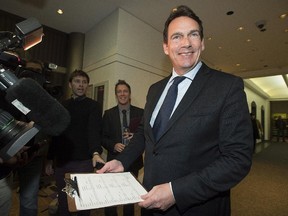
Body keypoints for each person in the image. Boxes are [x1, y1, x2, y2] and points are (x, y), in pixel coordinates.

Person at [97, 5, 253, 216]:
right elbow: (144, 133)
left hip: (197, 207)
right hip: (149, 201)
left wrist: (176, 191)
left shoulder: (227, 87)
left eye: (193, 35)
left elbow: (237, 160)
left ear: (203, 42)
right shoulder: (155, 90)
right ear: (166, 46)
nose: (186, 43)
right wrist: (122, 161)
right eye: (177, 36)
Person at [45, 69, 105, 216]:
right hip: (63, 163)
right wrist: (49, 159)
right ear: (70, 84)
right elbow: (56, 134)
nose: (81, 85)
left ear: (87, 86)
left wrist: (95, 153)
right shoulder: (62, 106)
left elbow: (94, 131)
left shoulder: (94, 106)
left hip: (83, 163)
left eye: (84, 82)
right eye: (77, 81)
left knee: (82, 202)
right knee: (65, 201)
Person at [102, 79, 144, 216]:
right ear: (116, 95)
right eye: (119, 91)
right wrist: (113, 145)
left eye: (125, 91)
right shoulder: (108, 114)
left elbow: (146, 136)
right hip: (114, 159)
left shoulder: (141, 113)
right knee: (111, 197)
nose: (122, 94)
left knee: (129, 198)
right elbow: (102, 137)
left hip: (133, 162)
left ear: (129, 93)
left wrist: (136, 137)